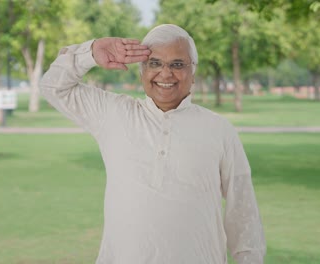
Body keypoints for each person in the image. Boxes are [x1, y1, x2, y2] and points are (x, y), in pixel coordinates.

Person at [40, 24, 265, 264]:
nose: (165, 74)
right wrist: (91, 52)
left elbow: (243, 212)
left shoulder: (220, 130)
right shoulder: (113, 114)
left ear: (193, 72)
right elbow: (53, 86)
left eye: (177, 64)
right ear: (141, 70)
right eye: (155, 63)